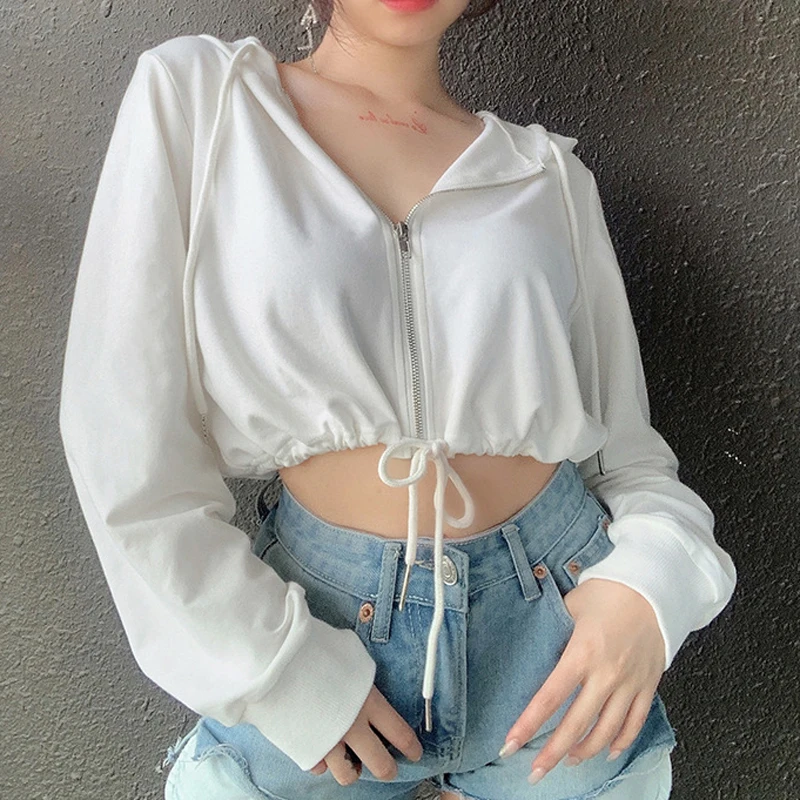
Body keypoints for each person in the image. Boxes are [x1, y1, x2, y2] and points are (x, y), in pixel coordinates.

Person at [58, 0, 737, 798]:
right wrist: (279, 672)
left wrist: (649, 592)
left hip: (555, 646)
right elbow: (122, 439)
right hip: (317, 627)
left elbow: (628, 459)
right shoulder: (203, 101)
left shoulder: (547, 176)